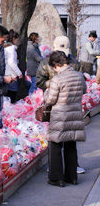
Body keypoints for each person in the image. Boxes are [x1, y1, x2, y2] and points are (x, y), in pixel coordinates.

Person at [36, 35, 85, 175]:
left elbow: (80, 84)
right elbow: (39, 80)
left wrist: (57, 87)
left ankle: (61, 171)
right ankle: (65, 171)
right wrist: (53, 85)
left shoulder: (74, 62)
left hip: (61, 105)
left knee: (62, 139)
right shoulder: (46, 63)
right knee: (66, 139)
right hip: (67, 105)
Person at [44, 50, 86, 187]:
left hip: (60, 115)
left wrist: (46, 93)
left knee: (55, 145)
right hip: (74, 114)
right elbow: (84, 91)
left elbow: (50, 100)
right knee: (71, 145)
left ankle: (57, 178)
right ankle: (72, 177)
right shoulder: (79, 76)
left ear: (56, 65)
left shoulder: (57, 79)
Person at [4, 30, 23, 103]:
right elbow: (11, 62)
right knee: (12, 95)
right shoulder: (11, 49)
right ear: (14, 39)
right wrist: (19, 73)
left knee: (7, 96)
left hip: (5, 73)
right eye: (17, 40)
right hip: (11, 74)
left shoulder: (5, 48)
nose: (17, 42)